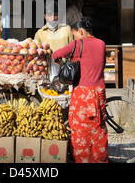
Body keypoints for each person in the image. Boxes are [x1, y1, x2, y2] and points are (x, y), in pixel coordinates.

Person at [52, 17, 108, 163]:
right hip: (99, 90)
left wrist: (58, 60)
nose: (74, 37)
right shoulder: (102, 44)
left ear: (81, 31)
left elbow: (56, 54)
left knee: (80, 127)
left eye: (74, 33)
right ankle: (98, 158)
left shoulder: (77, 44)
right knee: (98, 126)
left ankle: (83, 159)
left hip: (83, 93)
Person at [34, 1, 73, 81]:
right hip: (46, 72)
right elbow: (36, 55)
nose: (53, 18)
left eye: (55, 15)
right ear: (45, 16)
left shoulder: (67, 29)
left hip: (65, 71)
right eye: (49, 15)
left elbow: (73, 49)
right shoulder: (40, 33)